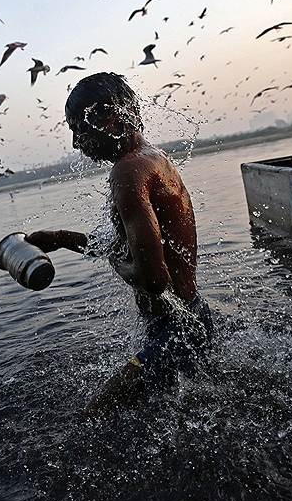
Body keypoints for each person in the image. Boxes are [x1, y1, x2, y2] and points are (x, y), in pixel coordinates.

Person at [26, 72, 213, 415]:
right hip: (189, 319)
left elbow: (154, 280)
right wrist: (61, 239)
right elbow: (131, 249)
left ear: (108, 115)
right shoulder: (152, 158)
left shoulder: (128, 173)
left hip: (175, 330)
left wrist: (116, 262)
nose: (75, 143)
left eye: (78, 128)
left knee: (95, 416)